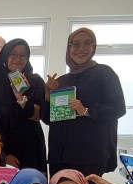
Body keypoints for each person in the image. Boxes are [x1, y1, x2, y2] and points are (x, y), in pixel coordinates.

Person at [43, 28, 127, 176]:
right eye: (75, 44)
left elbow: (118, 108)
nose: (81, 49)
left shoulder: (104, 73)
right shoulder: (61, 81)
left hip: (89, 156)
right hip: (59, 156)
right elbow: (48, 119)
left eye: (87, 43)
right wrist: (48, 94)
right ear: (69, 48)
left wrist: (86, 111)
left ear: (93, 47)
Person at [0, 39, 48, 174]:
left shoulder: (35, 81)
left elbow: (41, 115)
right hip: (4, 147)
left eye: (23, 55)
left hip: (31, 146)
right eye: (13, 54)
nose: (18, 59)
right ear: (5, 56)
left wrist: (21, 97)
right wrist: (4, 153)